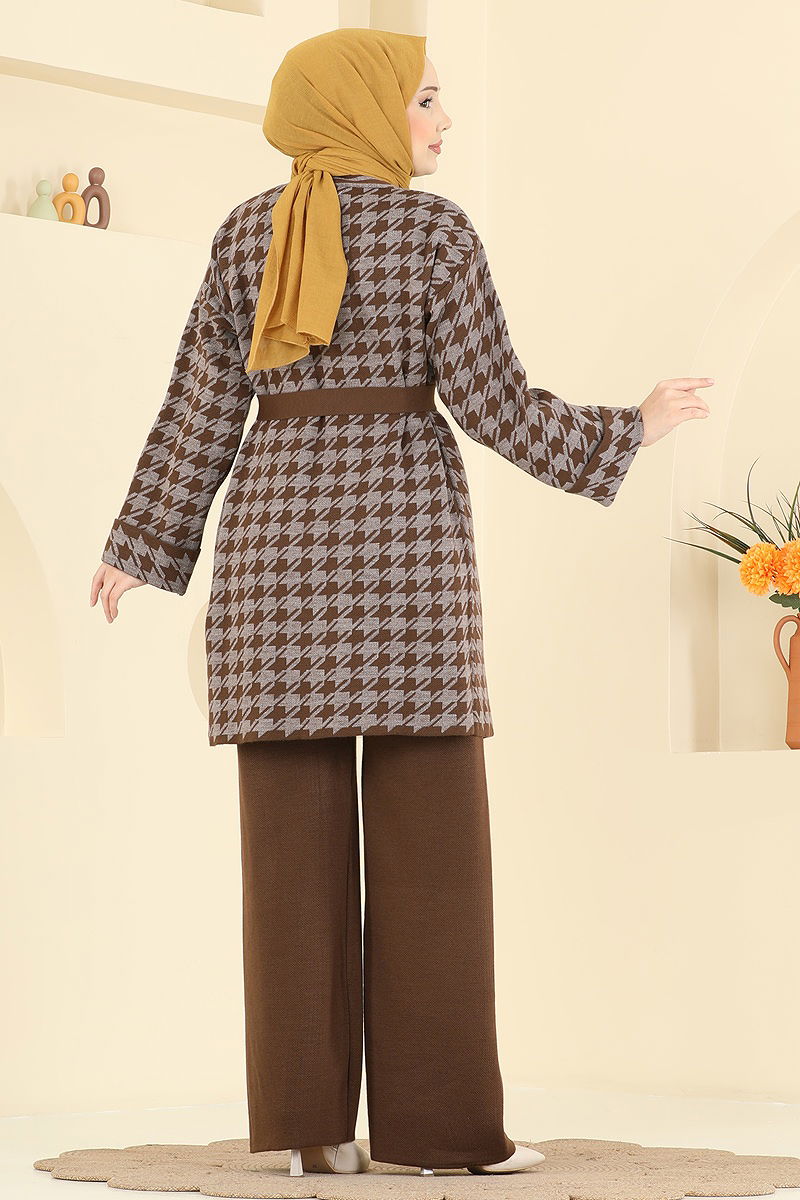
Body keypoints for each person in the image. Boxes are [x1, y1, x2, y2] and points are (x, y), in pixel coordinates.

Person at [90, 27, 713, 1179]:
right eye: (424, 100)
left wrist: (143, 544)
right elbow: (493, 404)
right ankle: (442, 1134)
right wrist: (628, 428)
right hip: (408, 566)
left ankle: (311, 1133)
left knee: (287, 869)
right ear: (362, 108)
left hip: (274, 569)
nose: (441, 121)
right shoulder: (434, 234)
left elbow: (199, 407)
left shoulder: (245, 233)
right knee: (434, 866)